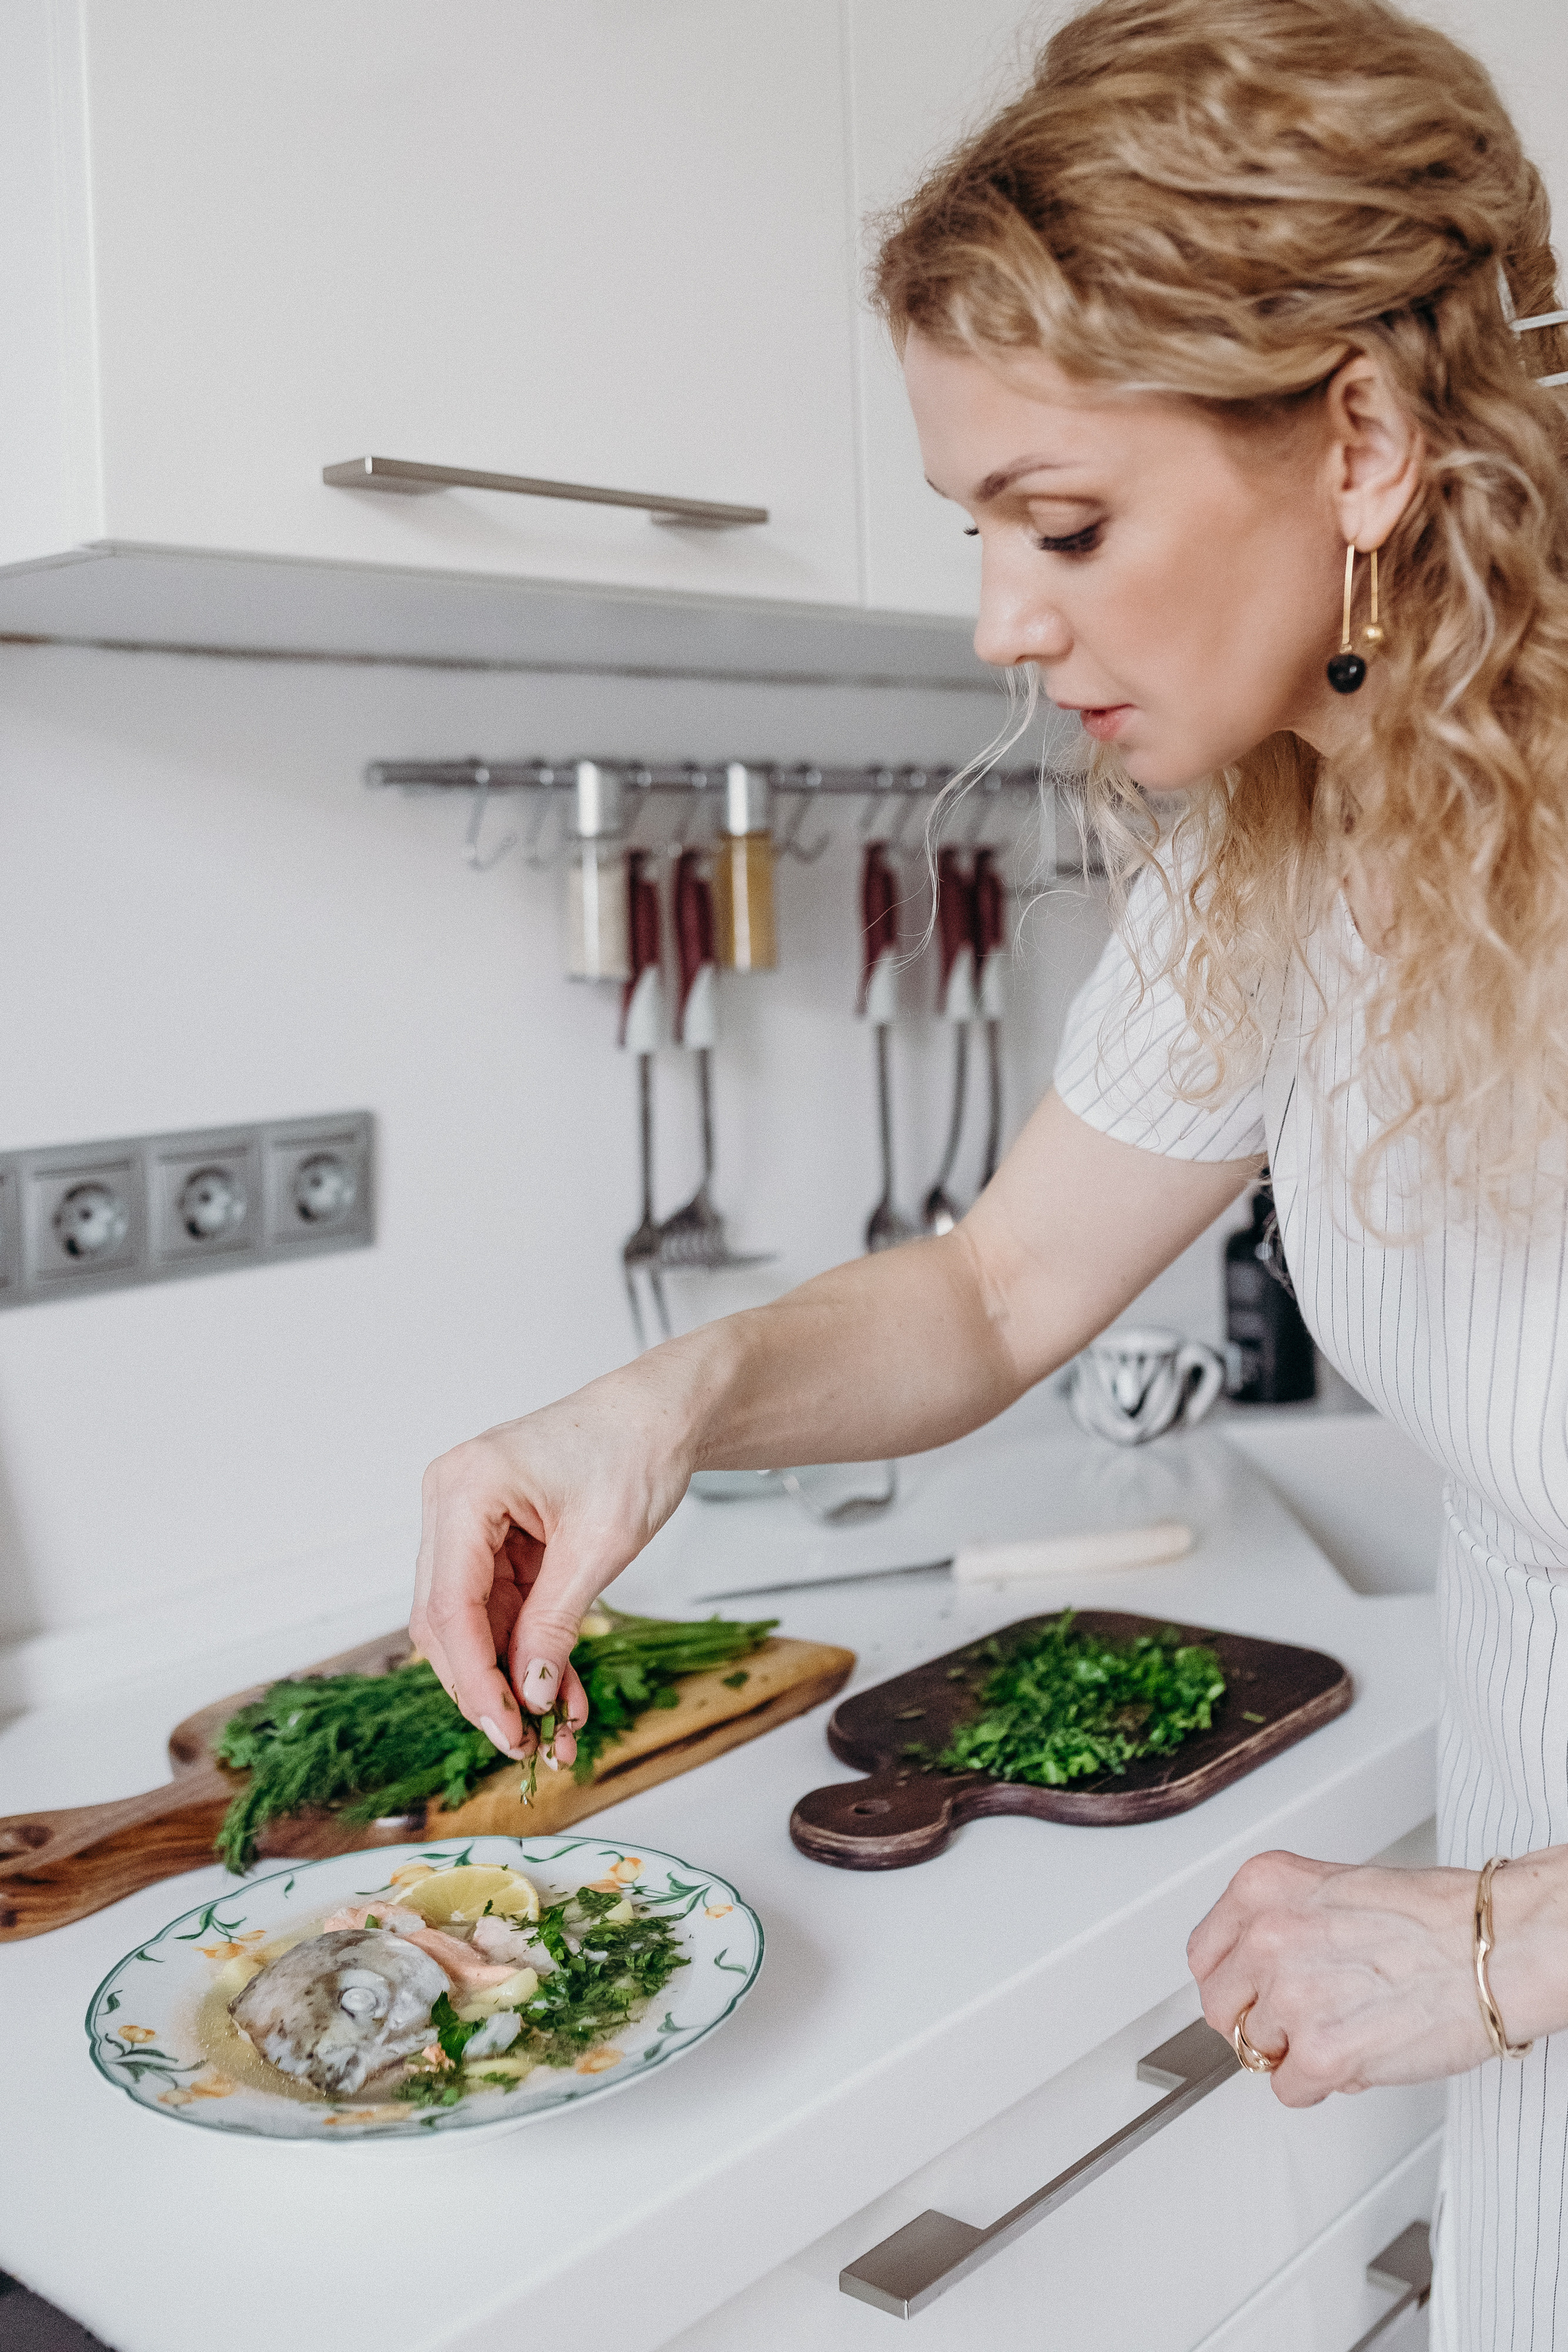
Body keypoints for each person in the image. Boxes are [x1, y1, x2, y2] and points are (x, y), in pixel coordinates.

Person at [412, 0, 1568, 2334]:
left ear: (1359, 438)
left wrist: (1506, 1936)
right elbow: (1004, 1286)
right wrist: (658, 1410)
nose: (1000, 625)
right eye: (978, 531)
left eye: (1064, 524)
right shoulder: (1290, 852)